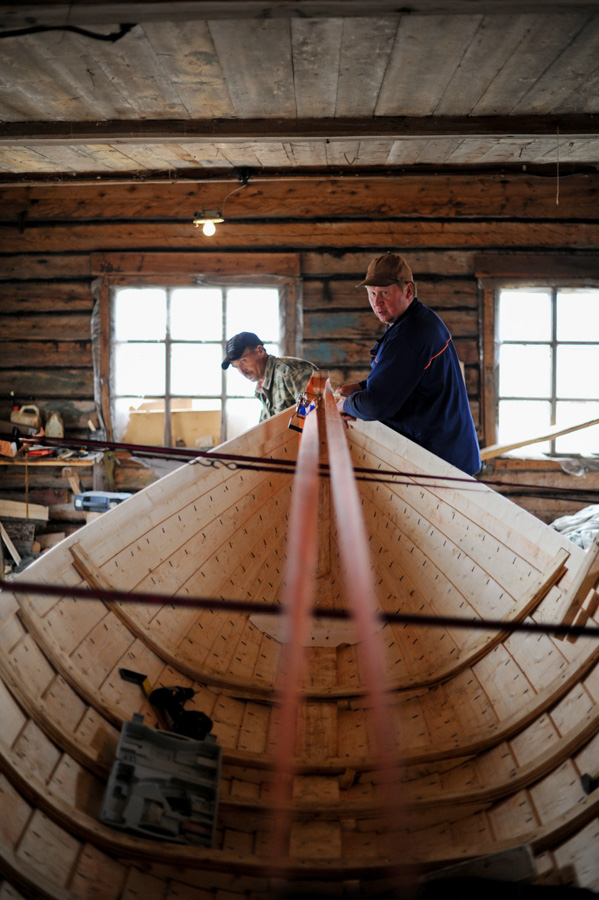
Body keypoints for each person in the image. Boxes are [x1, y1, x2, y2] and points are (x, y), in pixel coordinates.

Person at [336, 253, 481, 475]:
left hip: (443, 463)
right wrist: (361, 387)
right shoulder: (411, 321)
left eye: (384, 292)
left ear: (408, 291)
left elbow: (376, 405)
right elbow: (404, 377)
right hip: (447, 453)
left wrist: (343, 406)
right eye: (372, 293)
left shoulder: (411, 334)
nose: (376, 301)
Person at [222, 331, 316, 422]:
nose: (242, 371)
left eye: (243, 361)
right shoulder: (261, 386)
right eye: (236, 367)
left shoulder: (290, 371)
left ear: (260, 351)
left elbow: (316, 416)